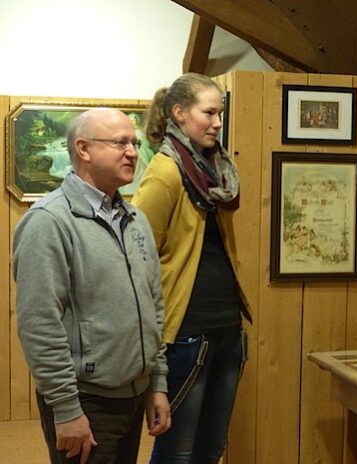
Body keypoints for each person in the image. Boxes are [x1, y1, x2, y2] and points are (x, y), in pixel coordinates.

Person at [12, 108, 171, 464]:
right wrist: (67, 409)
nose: (133, 152)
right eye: (120, 142)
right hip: (84, 401)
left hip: (134, 395)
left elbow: (153, 306)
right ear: (83, 149)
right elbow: (39, 324)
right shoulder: (49, 222)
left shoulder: (135, 220)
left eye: (135, 142)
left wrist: (157, 381)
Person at [131, 73, 252, 464]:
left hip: (226, 330)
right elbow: (140, 255)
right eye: (210, 113)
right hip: (185, 334)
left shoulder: (216, 168)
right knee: (177, 452)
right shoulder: (166, 171)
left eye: (221, 113)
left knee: (212, 448)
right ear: (180, 114)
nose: (218, 122)